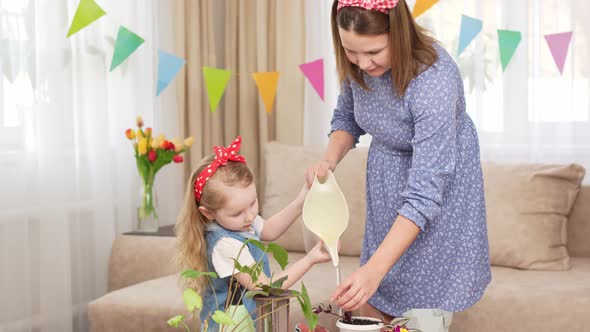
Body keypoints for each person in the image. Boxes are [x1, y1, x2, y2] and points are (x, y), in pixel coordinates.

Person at [304, 0, 491, 330]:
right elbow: (347, 117)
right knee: (382, 297)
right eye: (351, 51)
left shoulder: (433, 80)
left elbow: (424, 194)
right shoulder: (360, 66)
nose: (363, 63)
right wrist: (329, 160)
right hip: (388, 190)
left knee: (423, 308)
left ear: (399, 34)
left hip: (436, 196)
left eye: (374, 51)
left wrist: (373, 271)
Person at [176, 136, 330, 332]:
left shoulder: (241, 222)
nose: (249, 216)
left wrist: (301, 201)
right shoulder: (224, 244)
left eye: (253, 203)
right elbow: (264, 288)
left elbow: (269, 229)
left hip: (251, 323)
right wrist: (309, 260)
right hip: (231, 328)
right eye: (237, 213)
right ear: (208, 213)